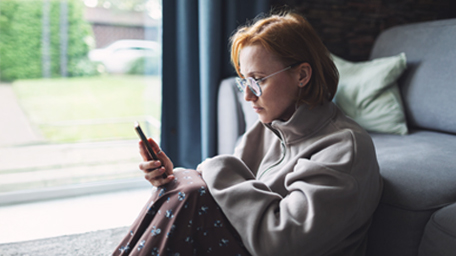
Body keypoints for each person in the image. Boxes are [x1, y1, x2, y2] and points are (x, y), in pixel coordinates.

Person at [113, 10, 383, 256]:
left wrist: (208, 169)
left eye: (258, 80)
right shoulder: (269, 127)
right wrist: (174, 179)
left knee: (191, 191)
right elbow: (228, 196)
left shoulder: (344, 148)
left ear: (302, 75)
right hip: (248, 242)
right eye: (244, 81)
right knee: (182, 185)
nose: (247, 96)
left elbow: (279, 243)